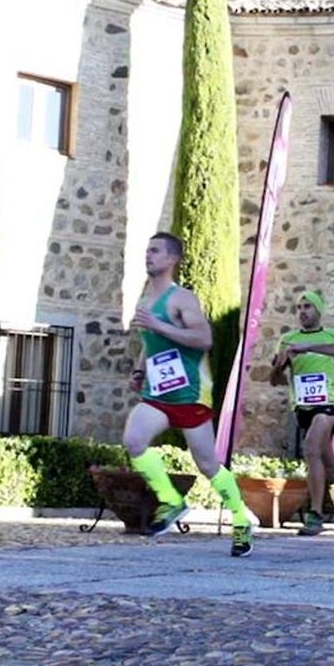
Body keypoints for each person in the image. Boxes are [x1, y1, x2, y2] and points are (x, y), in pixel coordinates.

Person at [123, 231, 254, 557]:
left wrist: (159, 325)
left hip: (190, 394)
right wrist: (141, 369)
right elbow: (150, 342)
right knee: (134, 441)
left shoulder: (181, 298)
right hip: (158, 392)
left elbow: (203, 339)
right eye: (147, 250)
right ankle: (170, 499)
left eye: (155, 251)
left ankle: (241, 518)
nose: (148, 256)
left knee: (208, 465)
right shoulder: (146, 299)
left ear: (171, 259)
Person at [271, 290, 334, 536]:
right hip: (302, 406)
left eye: (307, 307)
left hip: (328, 403)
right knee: (329, 463)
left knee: (311, 448)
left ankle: (316, 514)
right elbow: (275, 380)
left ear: (318, 310)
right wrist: (280, 364)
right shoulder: (288, 339)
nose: (302, 312)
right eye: (299, 307)